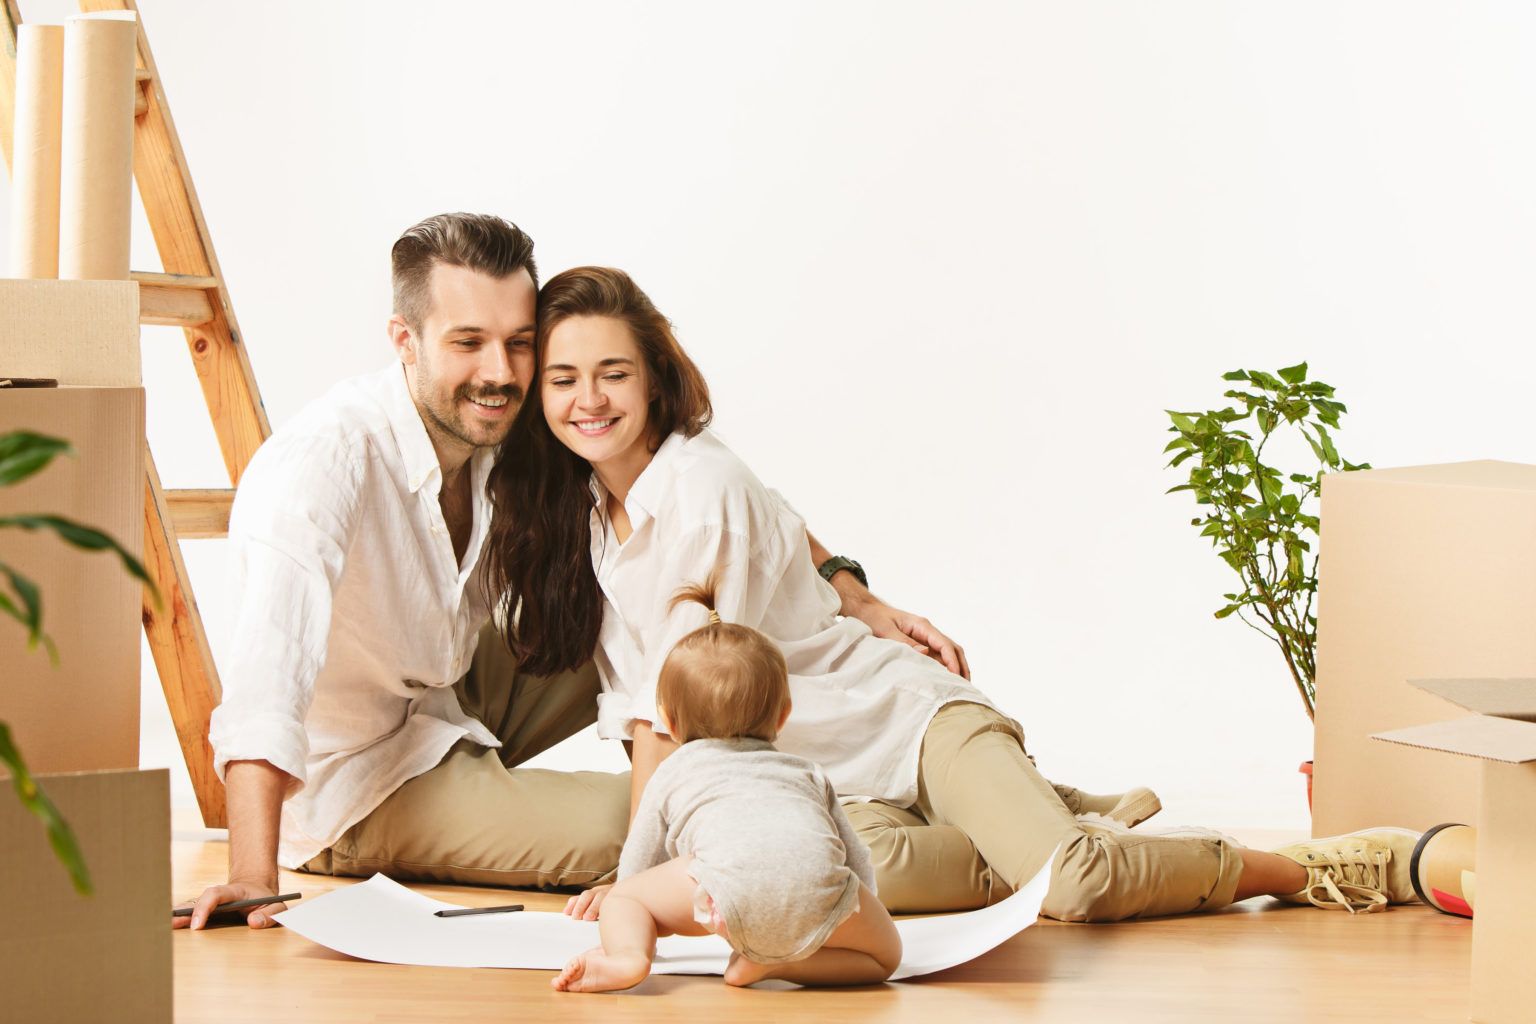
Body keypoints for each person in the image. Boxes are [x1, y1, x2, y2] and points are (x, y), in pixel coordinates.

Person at [489, 265, 1424, 922]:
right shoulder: (583, 506)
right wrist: (855, 593)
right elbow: (786, 517)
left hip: (905, 723)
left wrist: (637, 881)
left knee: (1070, 887)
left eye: (613, 373)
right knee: (849, 877)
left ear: (654, 376)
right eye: (564, 379)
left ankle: (1307, 869)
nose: (588, 400)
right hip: (835, 781)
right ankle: (1050, 811)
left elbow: (672, 715)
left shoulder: (698, 487)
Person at [179, 214, 961, 930]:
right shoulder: (324, 461)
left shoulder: (510, 417)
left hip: (442, 692)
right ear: (404, 339)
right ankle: (884, 845)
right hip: (357, 776)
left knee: (670, 615)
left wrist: (854, 592)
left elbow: (724, 496)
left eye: (519, 342)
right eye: (467, 342)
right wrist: (252, 871)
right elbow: (263, 678)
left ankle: (885, 779)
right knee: (641, 829)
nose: (500, 371)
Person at [553, 581, 901, 992]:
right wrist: (850, 906)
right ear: (784, 715)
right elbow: (854, 856)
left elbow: (639, 858)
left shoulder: (674, 771)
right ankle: (773, 966)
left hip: (721, 896)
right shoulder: (807, 772)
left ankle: (628, 957)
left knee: (626, 898)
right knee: (884, 959)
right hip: (818, 896)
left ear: (672, 722)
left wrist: (628, 899)